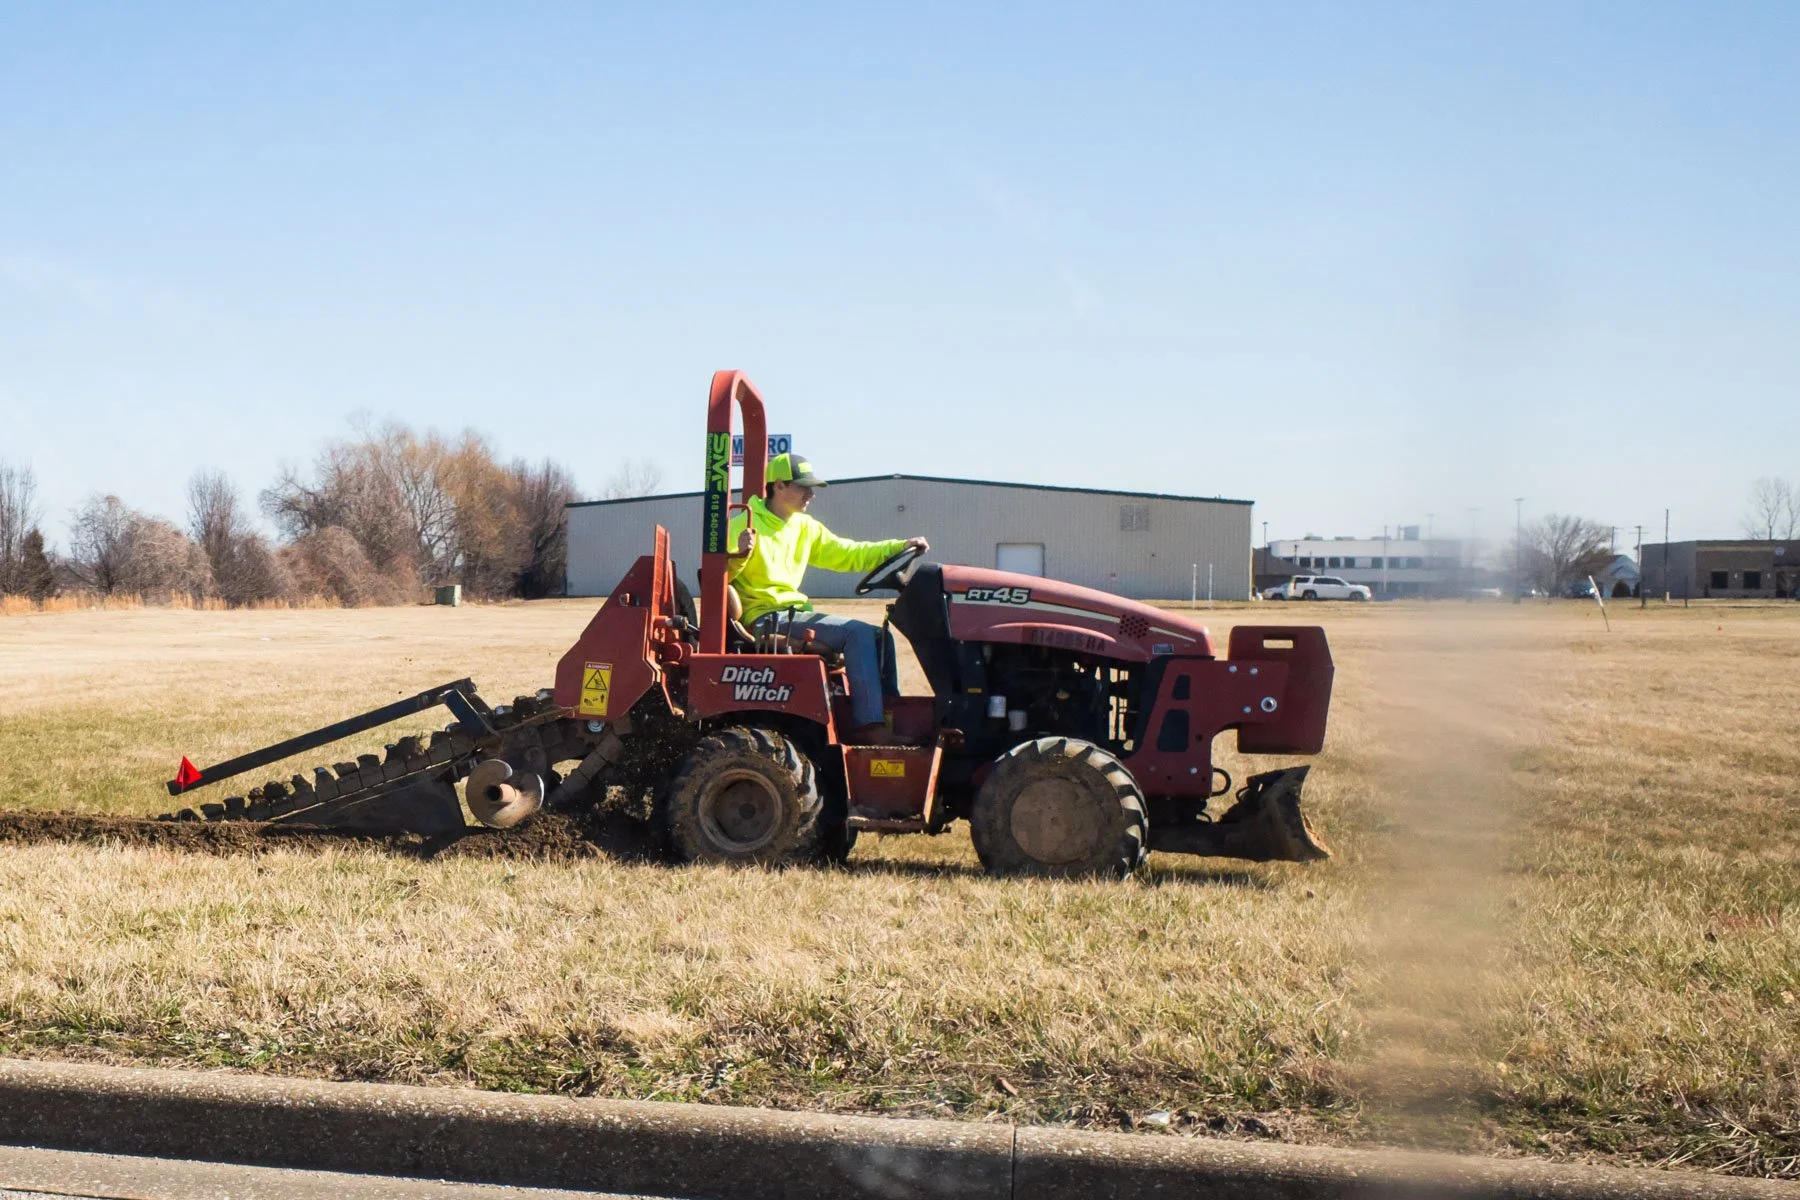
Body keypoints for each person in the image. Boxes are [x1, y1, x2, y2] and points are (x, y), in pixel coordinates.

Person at [727, 453, 928, 744]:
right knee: (856, 634)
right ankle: (870, 728)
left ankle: (889, 717)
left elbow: (849, 554)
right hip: (766, 618)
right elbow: (718, 574)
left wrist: (899, 547)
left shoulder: (804, 527)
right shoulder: (745, 524)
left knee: (880, 639)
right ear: (779, 485)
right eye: (803, 487)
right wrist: (740, 555)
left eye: (812, 488)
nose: (811, 494)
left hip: (793, 614)